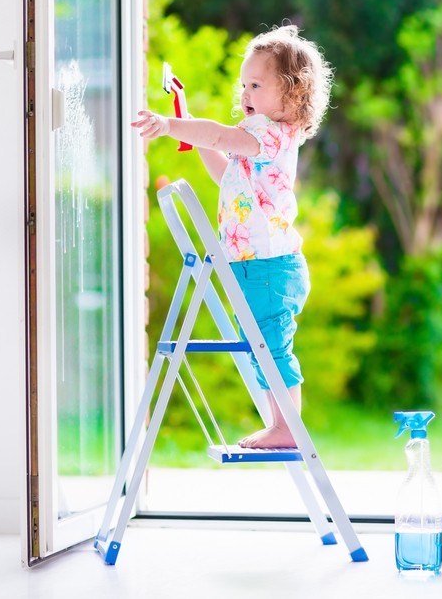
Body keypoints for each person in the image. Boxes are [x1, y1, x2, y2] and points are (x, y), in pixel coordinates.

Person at [131, 24, 333, 449]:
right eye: (243, 84)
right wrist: (190, 133)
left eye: (256, 85)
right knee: (264, 348)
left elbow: (222, 136)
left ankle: (287, 428)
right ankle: (282, 423)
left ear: (291, 95)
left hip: (269, 267)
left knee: (273, 347)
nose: (244, 94)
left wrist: (170, 125)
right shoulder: (258, 145)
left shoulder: (272, 135)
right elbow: (226, 171)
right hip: (257, 267)